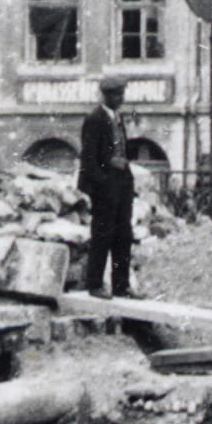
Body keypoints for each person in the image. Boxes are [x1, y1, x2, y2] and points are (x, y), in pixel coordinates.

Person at [77, 76, 135, 299]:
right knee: (102, 235)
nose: (120, 98)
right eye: (116, 95)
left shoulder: (117, 118)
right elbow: (89, 157)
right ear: (106, 95)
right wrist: (102, 183)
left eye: (122, 94)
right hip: (105, 185)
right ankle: (95, 284)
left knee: (123, 234)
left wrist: (126, 180)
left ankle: (122, 286)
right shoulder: (94, 119)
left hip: (122, 183)